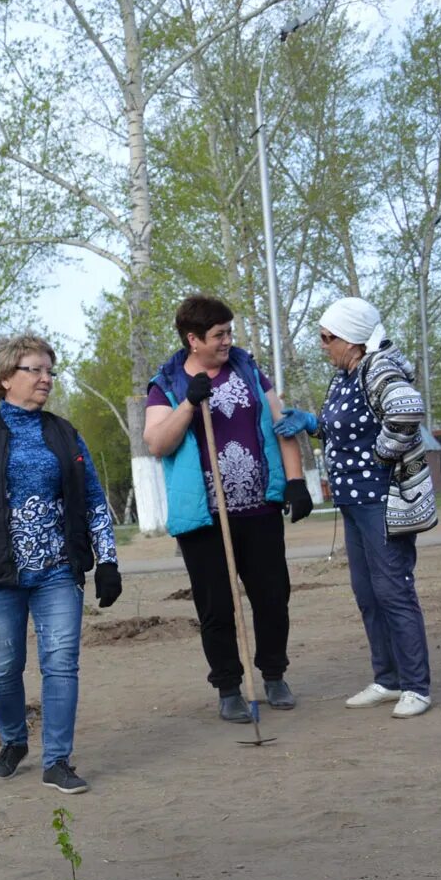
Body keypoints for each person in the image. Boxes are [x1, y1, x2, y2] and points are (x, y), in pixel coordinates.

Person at [0, 333, 122, 793]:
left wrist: (108, 560)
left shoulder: (64, 432)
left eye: (49, 370)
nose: (45, 379)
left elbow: (93, 499)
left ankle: (58, 759)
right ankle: (14, 741)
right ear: (4, 377)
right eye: (33, 369)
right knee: (2, 667)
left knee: (61, 664)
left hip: (57, 569)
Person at [143, 294, 314, 723]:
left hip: (258, 509)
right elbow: (157, 443)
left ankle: (273, 674)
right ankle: (228, 687)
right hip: (204, 517)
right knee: (217, 605)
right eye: (219, 335)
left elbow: (282, 424)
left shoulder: (247, 367)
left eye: (229, 332)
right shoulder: (166, 382)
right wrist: (188, 403)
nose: (227, 340)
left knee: (273, 597)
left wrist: (295, 482)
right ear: (193, 339)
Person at [275, 296, 433, 718]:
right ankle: (388, 678)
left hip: (381, 501)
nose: (323, 345)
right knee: (367, 593)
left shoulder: (378, 367)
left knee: (393, 590)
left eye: (328, 338)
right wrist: (312, 423)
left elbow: (406, 409)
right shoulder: (346, 375)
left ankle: (416, 686)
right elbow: (342, 425)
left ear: (353, 341)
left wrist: (381, 456)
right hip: (352, 501)